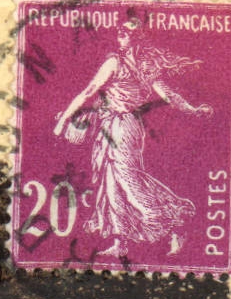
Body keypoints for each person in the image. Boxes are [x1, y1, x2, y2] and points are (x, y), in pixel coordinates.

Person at [52, 16, 213, 258]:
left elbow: (90, 92)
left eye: (126, 32)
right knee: (110, 181)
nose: (121, 35)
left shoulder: (128, 65)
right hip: (115, 126)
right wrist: (192, 109)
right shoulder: (128, 64)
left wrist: (64, 120)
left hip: (123, 127)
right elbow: (92, 93)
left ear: (137, 38)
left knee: (129, 179)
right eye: (120, 31)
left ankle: (174, 223)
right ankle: (121, 241)